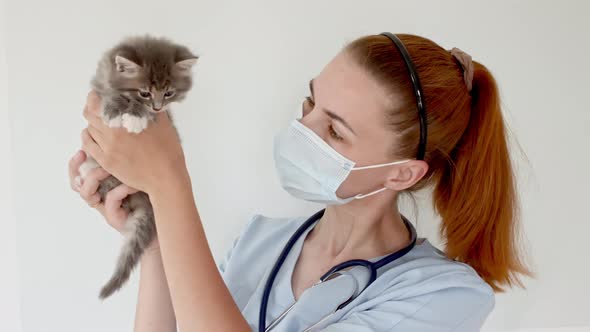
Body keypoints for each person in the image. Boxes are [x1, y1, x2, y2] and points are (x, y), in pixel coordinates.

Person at [68, 33, 529, 331]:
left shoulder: (442, 297)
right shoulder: (260, 240)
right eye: (310, 104)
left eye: (334, 130)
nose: (302, 129)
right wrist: (154, 241)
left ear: (402, 172)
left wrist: (171, 184)